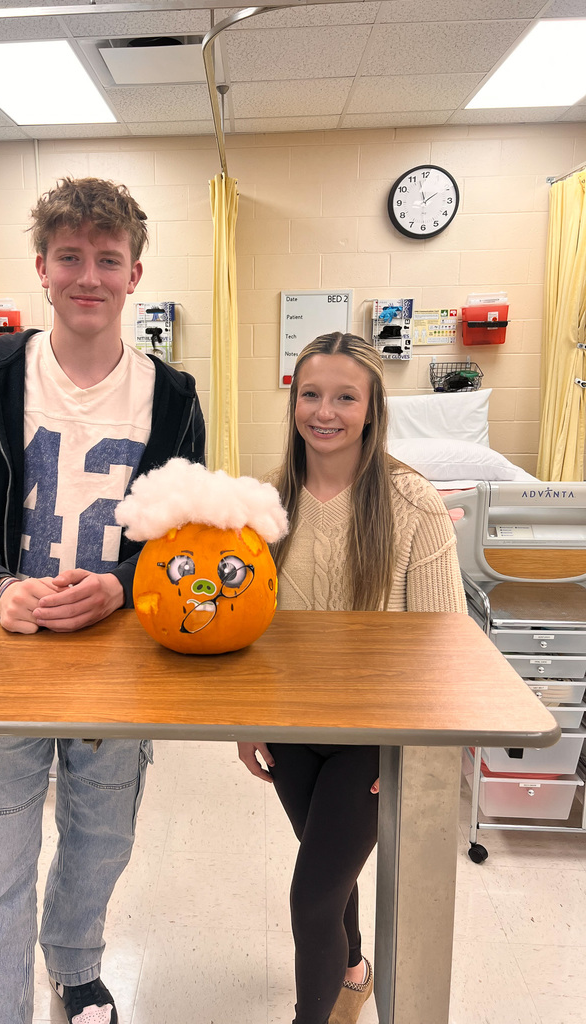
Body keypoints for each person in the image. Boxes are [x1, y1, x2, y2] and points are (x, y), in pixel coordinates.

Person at [0, 176, 204, 1024]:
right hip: (4, 662)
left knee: (101, 838)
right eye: (69, 256)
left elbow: (181, 538)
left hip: (120, 668)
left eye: (107, 259)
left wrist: (121, 584)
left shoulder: (174, 398)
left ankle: (75, 969)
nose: (89, 276)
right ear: (41, 267)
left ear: (135, 275)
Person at [237, 333, 466, 1024]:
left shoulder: (412, 502)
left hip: (374, 736)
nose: (325, 411)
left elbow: (443, 641)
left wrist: (411, 748)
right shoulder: (264, 504)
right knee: (328, 867)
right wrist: (245, 724)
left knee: (311, 896)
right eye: (311, 394)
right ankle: (355, 967)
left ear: (372, 408)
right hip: (291, 730)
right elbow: (243, 629)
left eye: (345, 396)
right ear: (293, 401)